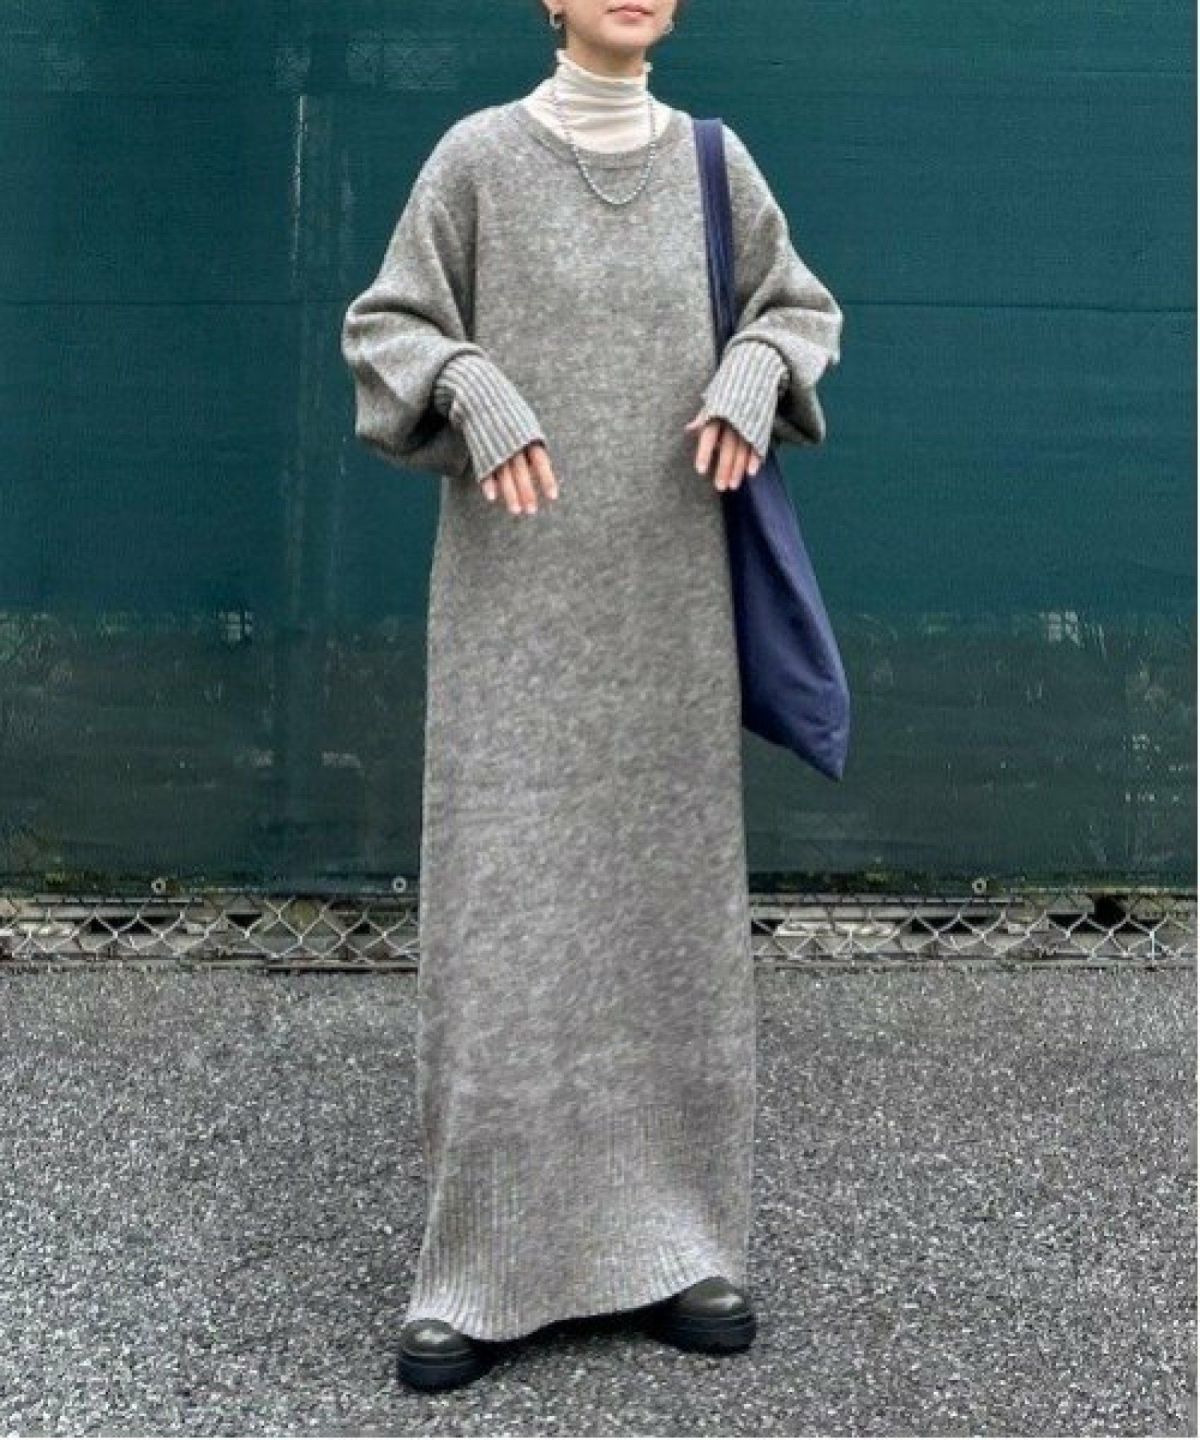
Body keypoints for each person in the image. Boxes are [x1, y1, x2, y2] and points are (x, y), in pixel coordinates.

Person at [340, 0, 843, 1392]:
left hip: (672, 612)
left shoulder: (714, 166)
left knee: (670, 913)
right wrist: (467, 378)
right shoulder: (476, 161)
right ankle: (478, 1268)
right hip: (512, 622)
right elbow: (385, 327)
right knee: (507, 920)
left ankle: (683, 1245)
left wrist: (758, 364)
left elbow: (799, 308)